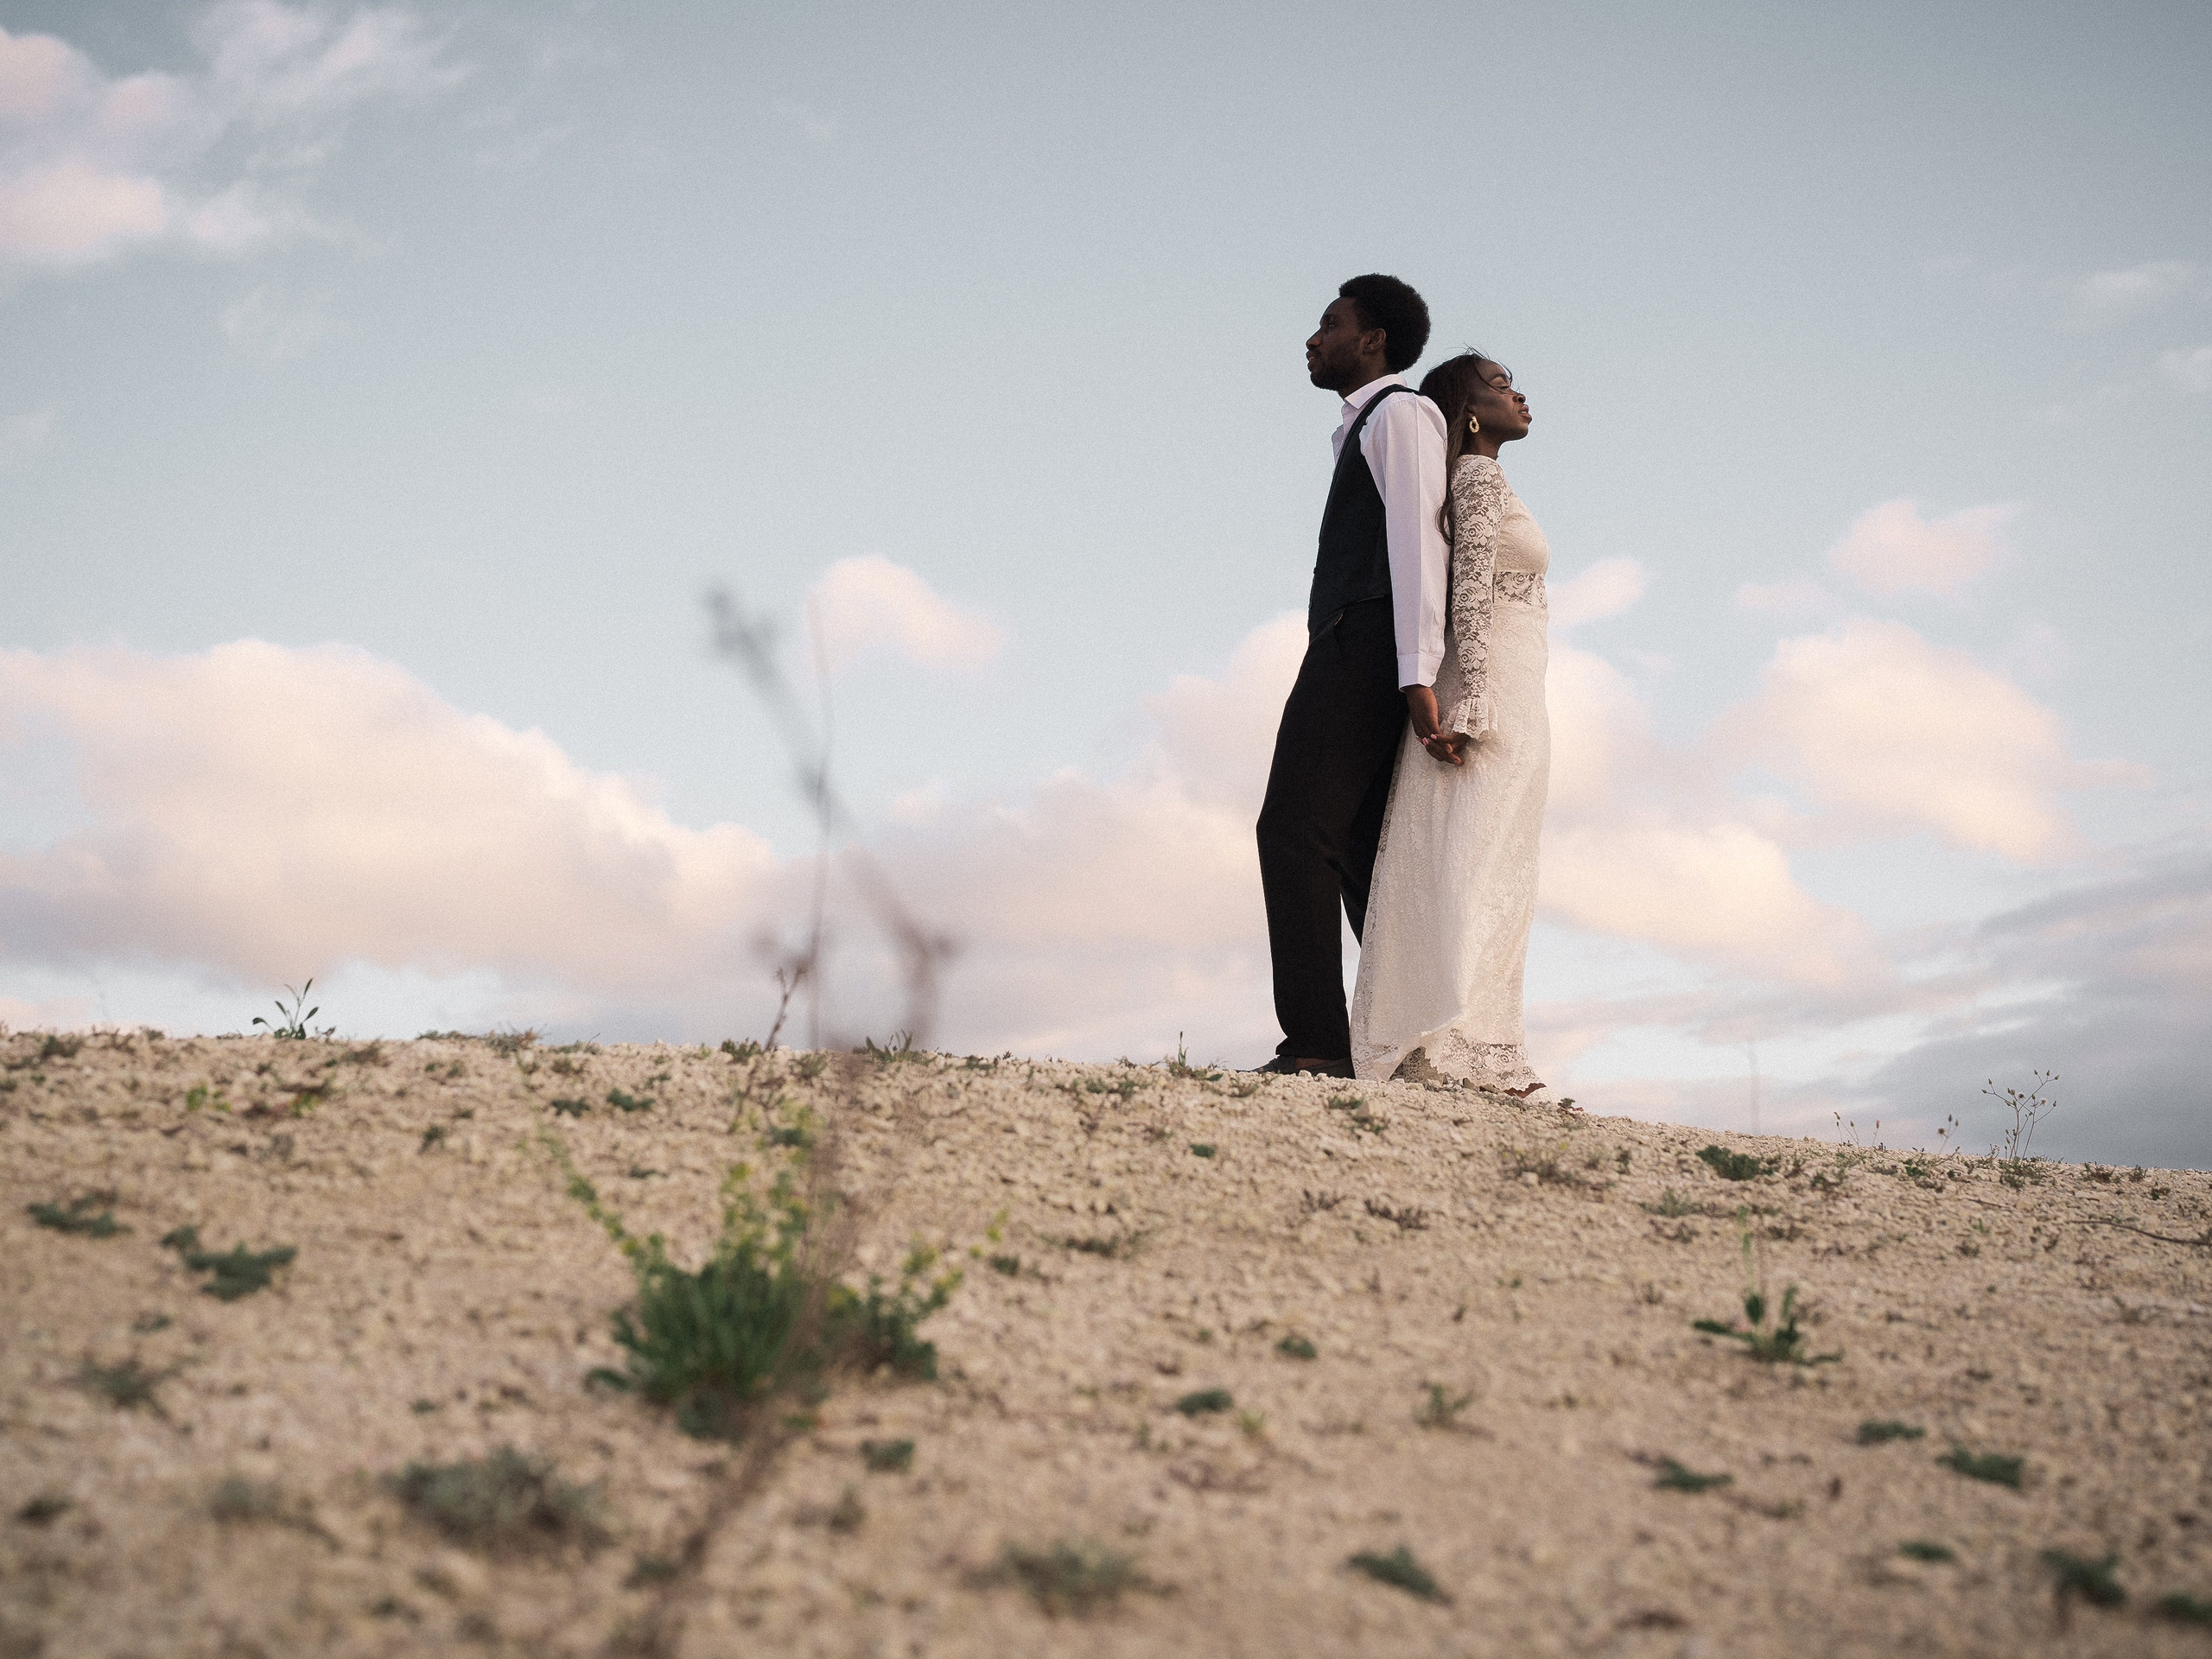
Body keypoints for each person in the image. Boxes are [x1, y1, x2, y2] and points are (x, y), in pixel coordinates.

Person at [1253, 276, 1450, 1076]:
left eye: (1328, 324)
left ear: (1371, 341)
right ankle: (1406, 1047)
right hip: (1358, 641)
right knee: (1363, 853)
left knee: (1294, 833)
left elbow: (1419, 543)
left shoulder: (1399, 414)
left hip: (1367, 646)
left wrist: (1416, 672)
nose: (1312, 337)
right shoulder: (1360, 428)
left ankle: (1319, 1050)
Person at [1347, 351, 1557, 1099]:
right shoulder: (1472, 480)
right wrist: (1469, 702)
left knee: (1501, 867)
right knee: (1471, 861)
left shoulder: (1492, 480)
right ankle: (1451, 1040)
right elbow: (1467, 592)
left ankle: (1489, 1041)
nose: (1519, 392)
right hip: (1489, 691)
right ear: (1468, 412)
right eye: (1500, 385)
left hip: (1523, 690)